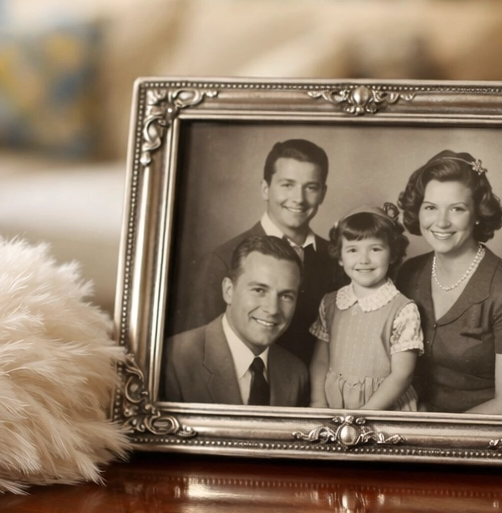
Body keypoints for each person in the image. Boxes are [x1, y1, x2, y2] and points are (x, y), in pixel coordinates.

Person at [396, 150, 502, 415]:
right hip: (411, 421)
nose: (441, 222)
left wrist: (430, 434)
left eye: (457, 209)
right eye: (430, 207)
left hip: (479, 437)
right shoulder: (408, 273)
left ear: (477, 214)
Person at [177, 138, 346, 366]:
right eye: (287, 185)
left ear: (323, 193)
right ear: (266, 188)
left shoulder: (339, 259)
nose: (299, 198)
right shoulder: (222, 259)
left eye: (311, 187)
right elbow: (196, 354)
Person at [163, 235, 308, 406]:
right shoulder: (173, 359)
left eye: (286, 296)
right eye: (259, 290)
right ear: (229, 291)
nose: (273, 309)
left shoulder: (296, 374)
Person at [309, 204, 423, 411]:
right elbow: (320, 361)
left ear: (393, 254)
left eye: (375, 249)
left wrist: (367, 413)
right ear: (340, 257)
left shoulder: (403, 309)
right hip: (336, 404)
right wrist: (318, 401)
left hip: (383, 407)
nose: (364, 260)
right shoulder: (330, 302)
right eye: (352, 250)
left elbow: (402, 374)